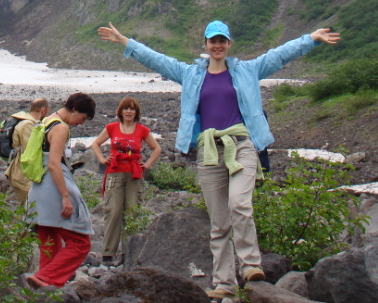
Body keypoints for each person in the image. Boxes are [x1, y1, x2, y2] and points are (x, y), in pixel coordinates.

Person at [98, 20, 339, 299]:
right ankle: (224, 282)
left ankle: (250, 265)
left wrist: (311, 38)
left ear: (229, 44)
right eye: (213, 41)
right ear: (205, 45)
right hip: (209, 151)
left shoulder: (247, 70)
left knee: (239, 203)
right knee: (219, 221)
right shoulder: (191, 75)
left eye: (222, 40)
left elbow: (279, 54)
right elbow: (158, 60)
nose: (217, 45)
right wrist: (125, 41)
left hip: (242, 145)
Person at [25, 92, 96, 289]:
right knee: (81, 243)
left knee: (50, 244)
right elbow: (55, 164)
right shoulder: (61, 128)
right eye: (83, 118)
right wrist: (65, 197)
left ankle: (41, 287)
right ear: (74, 109)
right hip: (52, 189)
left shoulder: (46, 120)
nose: (81, 124)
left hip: (38, 191)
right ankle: (47, 278)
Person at [91, 96, 161, 265]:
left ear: (136, 112)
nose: (128, 111)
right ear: (120, 111)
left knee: (132, 212)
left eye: (132, 109)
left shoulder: (142, 130)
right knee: (113, 211)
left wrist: (147, 164)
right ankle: (108, 253)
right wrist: (101, 159)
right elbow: (95, 144)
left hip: (134, 175)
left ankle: (127, 252)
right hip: (114, 173)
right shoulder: (112, 127)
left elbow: (157, 148)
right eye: (126, 108)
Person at [5, 97, 50, 205]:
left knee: (28, 209)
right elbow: (30, 152)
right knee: (30, 208)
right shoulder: (28, 126)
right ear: (43, 110)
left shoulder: (29, 122)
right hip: (22, 175)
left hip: (21, 174)